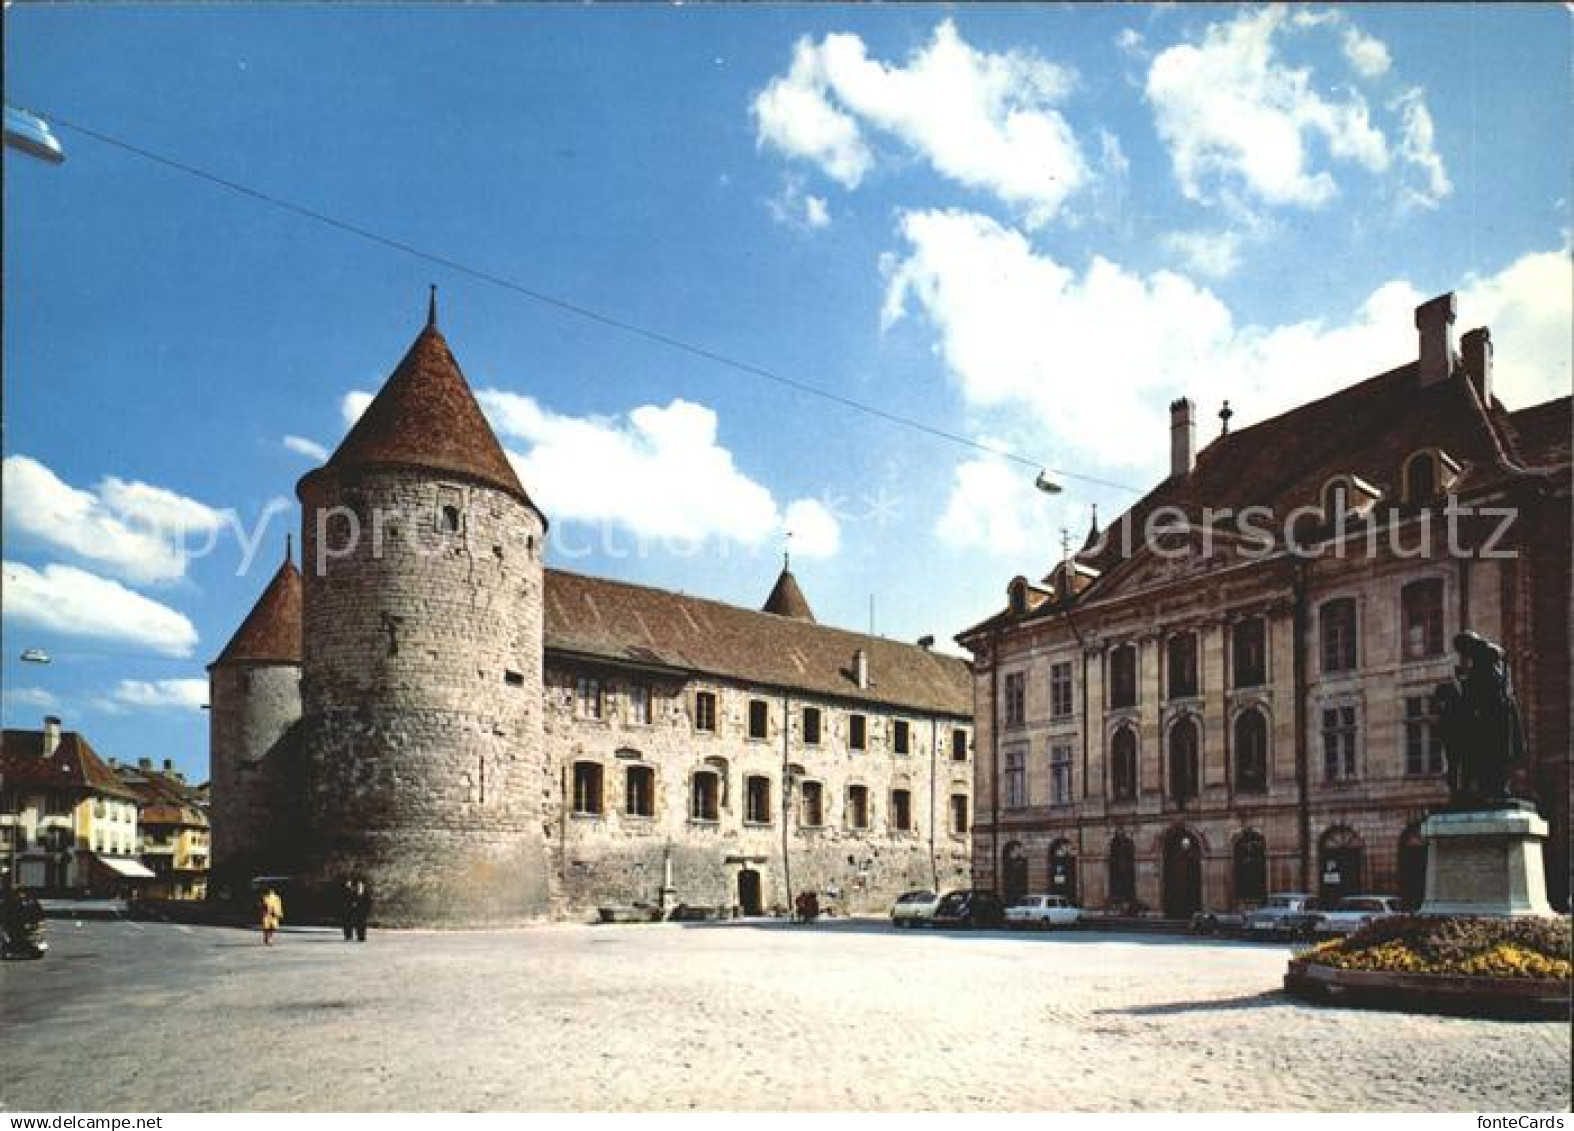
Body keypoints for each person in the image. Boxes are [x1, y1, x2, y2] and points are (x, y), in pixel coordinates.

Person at [347, 879, 371, 943]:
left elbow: (368, 902)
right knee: (357, 923)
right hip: (356, 911)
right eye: (359, 885)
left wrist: (367, 910)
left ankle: (361, 937)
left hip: (363, 911)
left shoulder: (366, 893)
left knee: (362, 924)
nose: (359, 886)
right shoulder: (354, 893)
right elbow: (351, 900)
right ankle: (357, 936)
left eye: (361, 885)